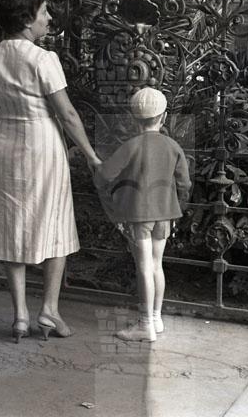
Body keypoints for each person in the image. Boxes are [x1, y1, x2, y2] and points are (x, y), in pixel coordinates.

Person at [0, 0, 102, 343]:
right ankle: (49, 309)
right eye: (44, 11)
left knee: (10, 223)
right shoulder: (43, 59)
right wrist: (91, 155)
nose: (49, 17)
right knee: (54, 220)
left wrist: (5, 108)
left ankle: (20, 315)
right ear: (26, 19)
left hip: (6, 142)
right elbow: (67, 114)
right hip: (42, 142)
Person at [94, 87, 191, 342]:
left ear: (134, 119)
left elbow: (104, 176)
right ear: (164, 117)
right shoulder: (173, 146)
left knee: (144, 267)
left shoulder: (131, 146)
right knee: (157, 265)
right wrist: (176, 208)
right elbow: (185, 184)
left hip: (139, 215)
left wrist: (97, 168)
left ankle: (145, 324)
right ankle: (156, 318)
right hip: (165, 215)